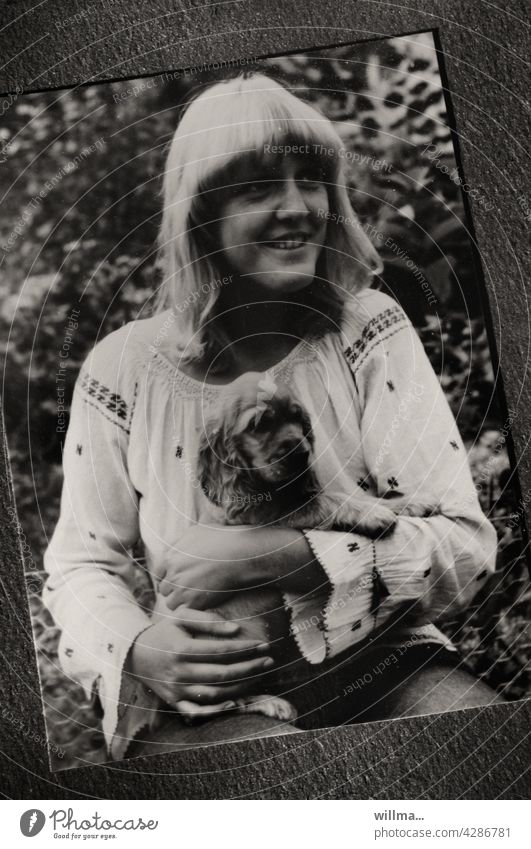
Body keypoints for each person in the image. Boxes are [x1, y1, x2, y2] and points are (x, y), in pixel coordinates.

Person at [43, 72, 502, 764]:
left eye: (311, 180)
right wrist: (138, 646)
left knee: (489, 758)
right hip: (212, 690)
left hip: (383, 662)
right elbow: (80, 561)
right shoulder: (124, 369)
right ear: (200, 212)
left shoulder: (366, 331)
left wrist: (294, 558)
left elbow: (464, 545)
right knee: (288, 787)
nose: (298, 207)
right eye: (257, 185)